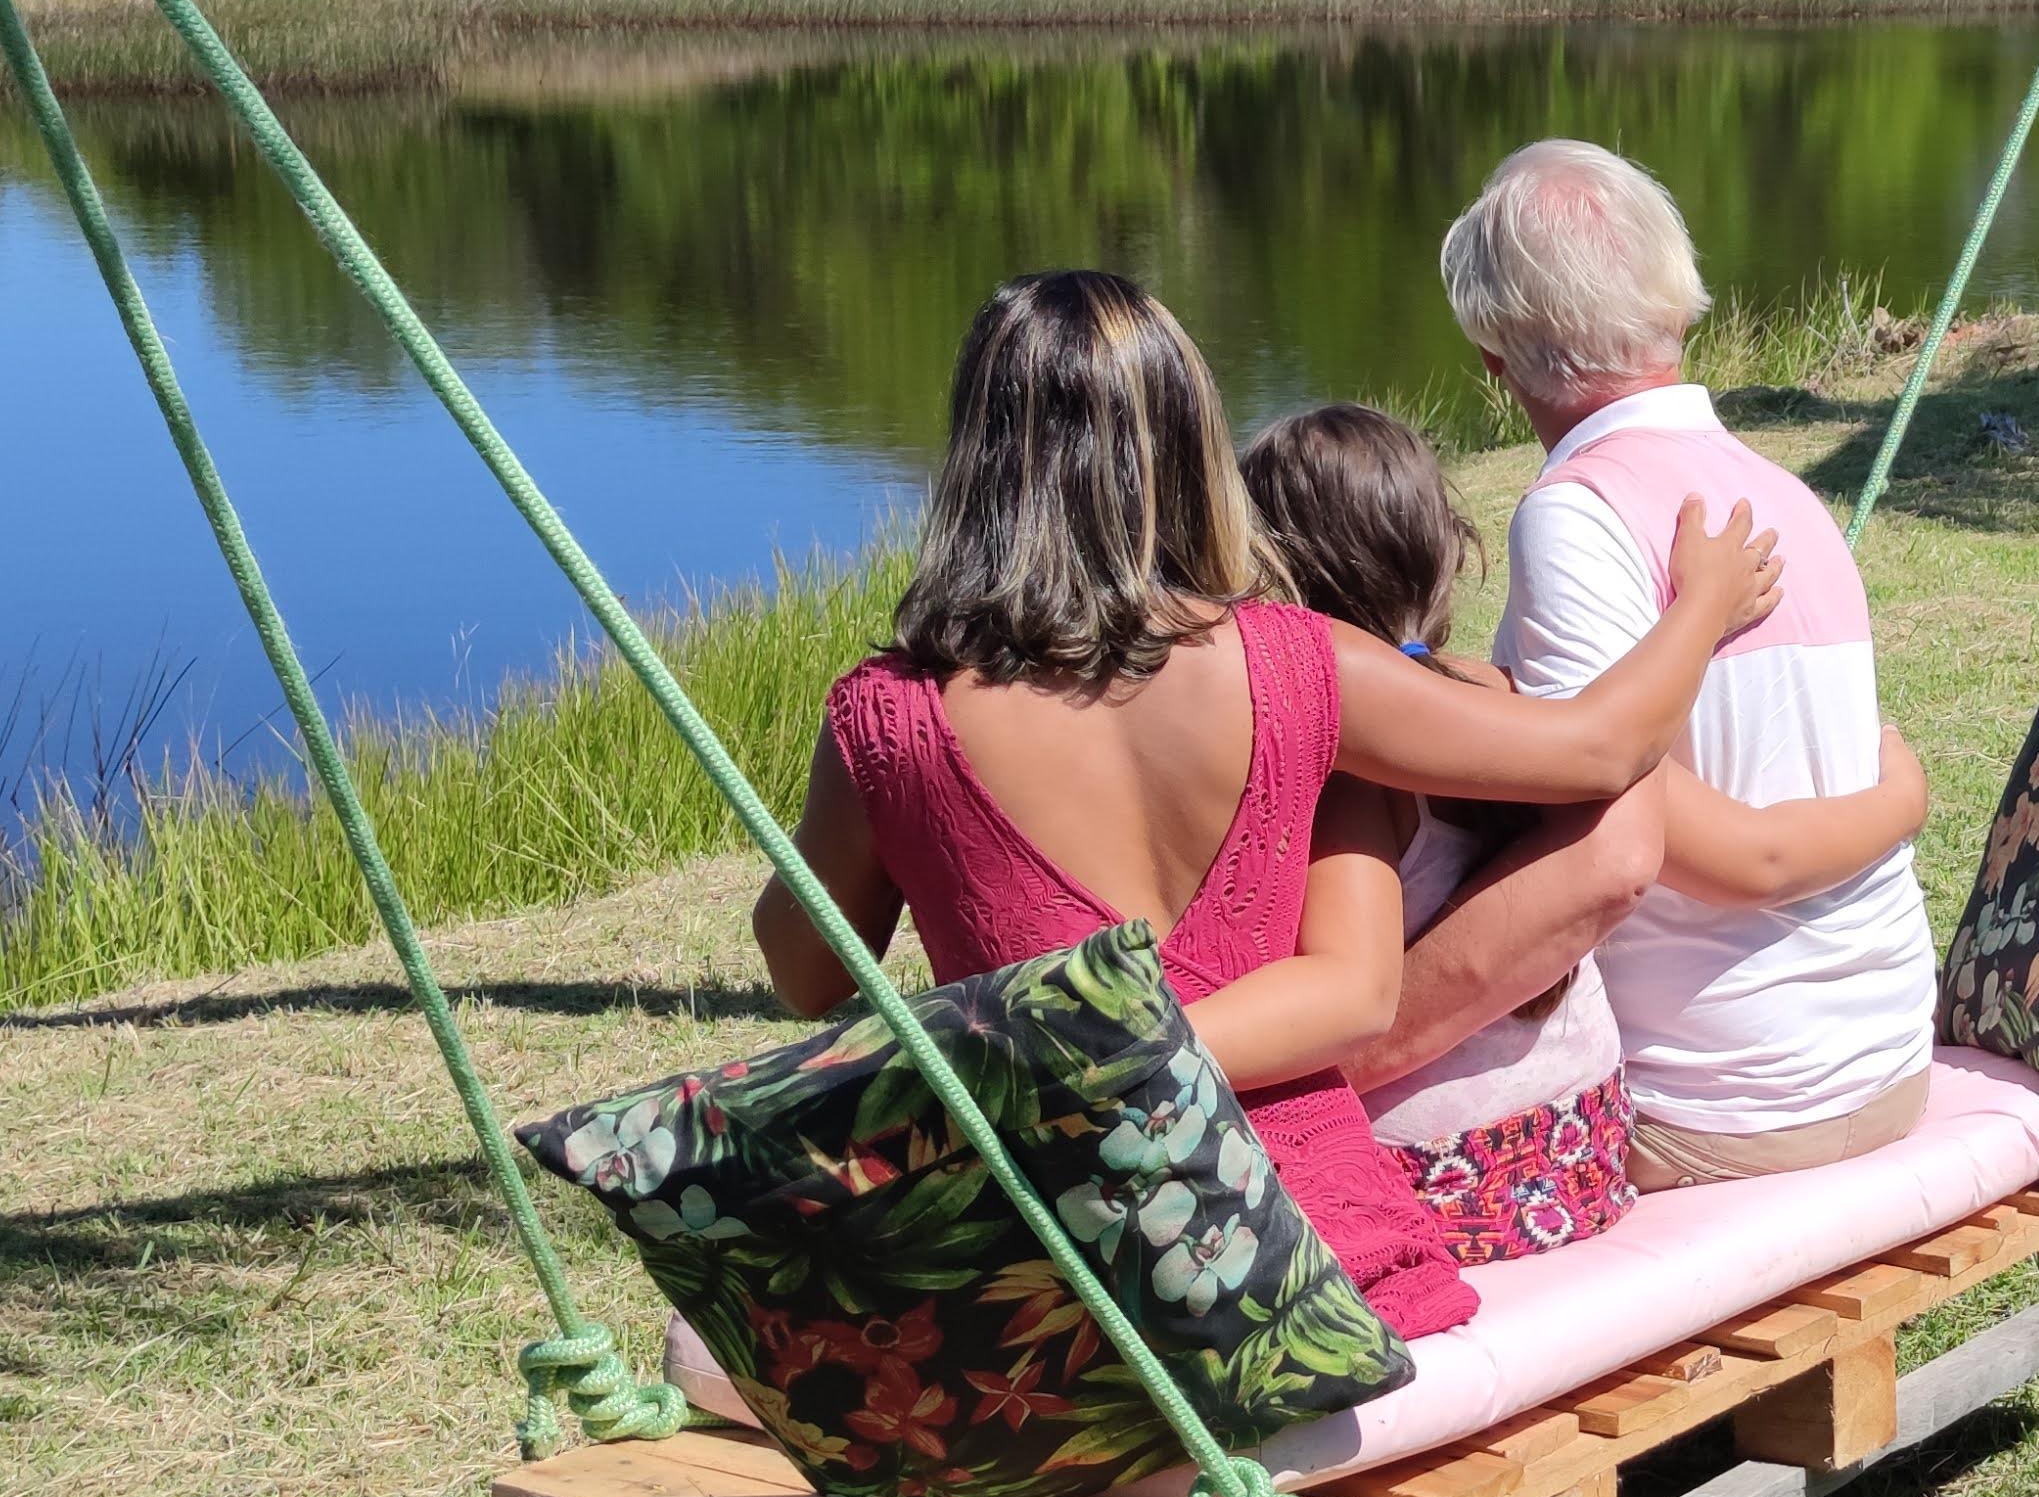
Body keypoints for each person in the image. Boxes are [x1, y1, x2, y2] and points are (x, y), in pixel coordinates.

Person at [753, 272, 1784, 1342]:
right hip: (1312, 1260)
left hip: (1056, 1288)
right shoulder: (1294, 663)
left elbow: (805, 970)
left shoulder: (886, 719)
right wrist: (1700, 603)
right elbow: (1598, 748)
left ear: (974, 460)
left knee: (727, 1339)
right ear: (1189, 447)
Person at [1235, 400, 1929, 1260]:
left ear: (1269, 582)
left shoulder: (1346, 768)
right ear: (1450, 551)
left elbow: (1351, 999)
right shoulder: (1518, 702)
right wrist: (1703, 606)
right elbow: (1622, 740)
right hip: (1589, 1151)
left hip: (1448, 1185)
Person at [1440, 140, 1957, 1187]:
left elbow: (1629, 834)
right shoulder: (1777, 493)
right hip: (1885, 1057)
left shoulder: (1577, 513)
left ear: (1495, 362)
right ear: (1674, 302)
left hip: (1725, 1099)